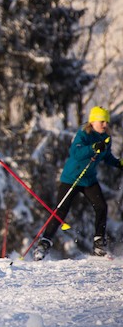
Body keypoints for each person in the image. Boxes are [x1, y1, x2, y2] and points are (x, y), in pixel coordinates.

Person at [33, 106, 122, 261]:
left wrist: (119, 163)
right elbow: (76, 153)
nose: (105, 125)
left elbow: (107, 157)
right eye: (102, 121)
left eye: (106, 122)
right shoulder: (83, 135)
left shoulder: (106, 138)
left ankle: (99, 243)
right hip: (72, 179)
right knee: (61, 211)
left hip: (89, 180)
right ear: (93, 121)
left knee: (101, 206)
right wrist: (93, 147)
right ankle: (44, 243)